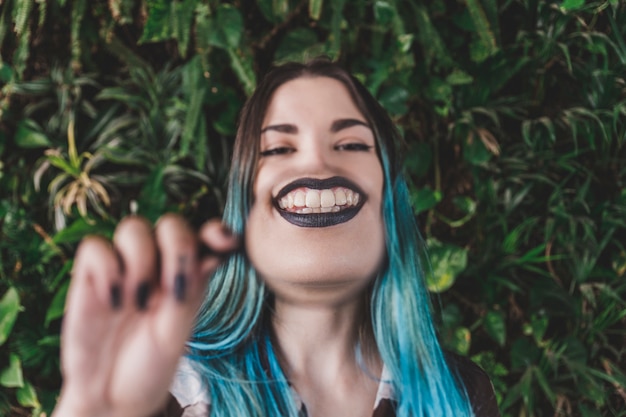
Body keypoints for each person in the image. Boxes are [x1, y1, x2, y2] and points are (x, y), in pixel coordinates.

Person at [51, 58, 500, 417]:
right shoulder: (167, 391)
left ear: (390, 199)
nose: (318, 166)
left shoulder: (461, 395)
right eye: (279, 148)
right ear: (244, 206)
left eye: (350, 144)